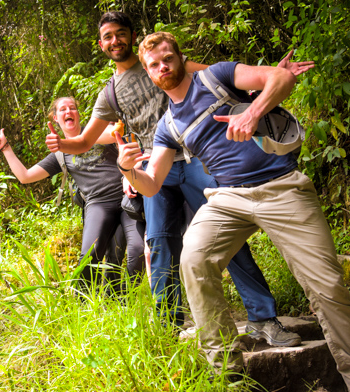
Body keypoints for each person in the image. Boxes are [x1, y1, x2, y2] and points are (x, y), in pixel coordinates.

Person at [114, 31, 350, 392]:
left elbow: (280, 77)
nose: (162, 67)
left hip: (283, 187)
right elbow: (151, 185)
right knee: (193, 260)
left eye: (167, 58)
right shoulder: (168, 126)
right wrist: (127, 170)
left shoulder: (217, 76)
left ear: (180, 58)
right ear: (149, 74)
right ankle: (231, 382)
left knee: (327, 287)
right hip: (227, 197)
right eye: (154, 65)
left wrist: (252, 111)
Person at [46, 11, 312, 344]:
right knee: (159, 244)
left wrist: (273, 73)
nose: (115, 41)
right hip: (155, 169)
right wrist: (62, 143)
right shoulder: (110, 93)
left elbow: (218, 78)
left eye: (120, 33)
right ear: (101, 45)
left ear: (131, 35)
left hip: (195, 160)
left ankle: (263, 318)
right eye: (108, 37)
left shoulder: (163, 61)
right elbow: (85, 141)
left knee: (229, 238)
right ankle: (168, 332)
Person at [0, 97, 145, 293]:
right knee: (89, 258)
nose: (68, 112)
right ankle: (83, 305)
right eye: (63, 109)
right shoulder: (59, 154)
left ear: (78, 114)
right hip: (99, 204)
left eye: (72, 108)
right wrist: (6, 148)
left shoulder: (96, 130)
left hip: (126, 197)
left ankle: (126, 299)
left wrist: (84, 139)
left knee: (137, 250)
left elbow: (115, 132)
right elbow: (25, 176)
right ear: (56, 118)